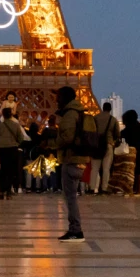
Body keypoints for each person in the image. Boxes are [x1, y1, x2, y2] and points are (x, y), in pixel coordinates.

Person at [55, 87, 90, 241]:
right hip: (81, 159)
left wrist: (53, 143)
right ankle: (75, 230)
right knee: (72, 196)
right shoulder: (80, 112)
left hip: (72, 159)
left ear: (65, 98)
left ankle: (75, 230)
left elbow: (67, 137)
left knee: (70, 197)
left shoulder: (70, 114)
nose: (56, 100)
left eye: (59, 97)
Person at [0, 107, 25, 200]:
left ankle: (2, 190)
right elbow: (21, 138)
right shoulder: (16, 125)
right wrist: (16, 143)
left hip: (2, 148)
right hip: (13, 148)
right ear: (11, 114)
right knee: (11, 170)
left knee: (3, 169)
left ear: (3, 115)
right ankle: (8, 192)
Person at [89, 101, 120, 195]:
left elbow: (90, 131)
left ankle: (92, 187)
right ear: (110, 109)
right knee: (106, 168)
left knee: (94, 168)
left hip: (96, 145)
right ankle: (104, 188)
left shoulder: (95, 118)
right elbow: (117, 134)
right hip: (108, 144)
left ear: (102, 108)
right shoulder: (113, 120)